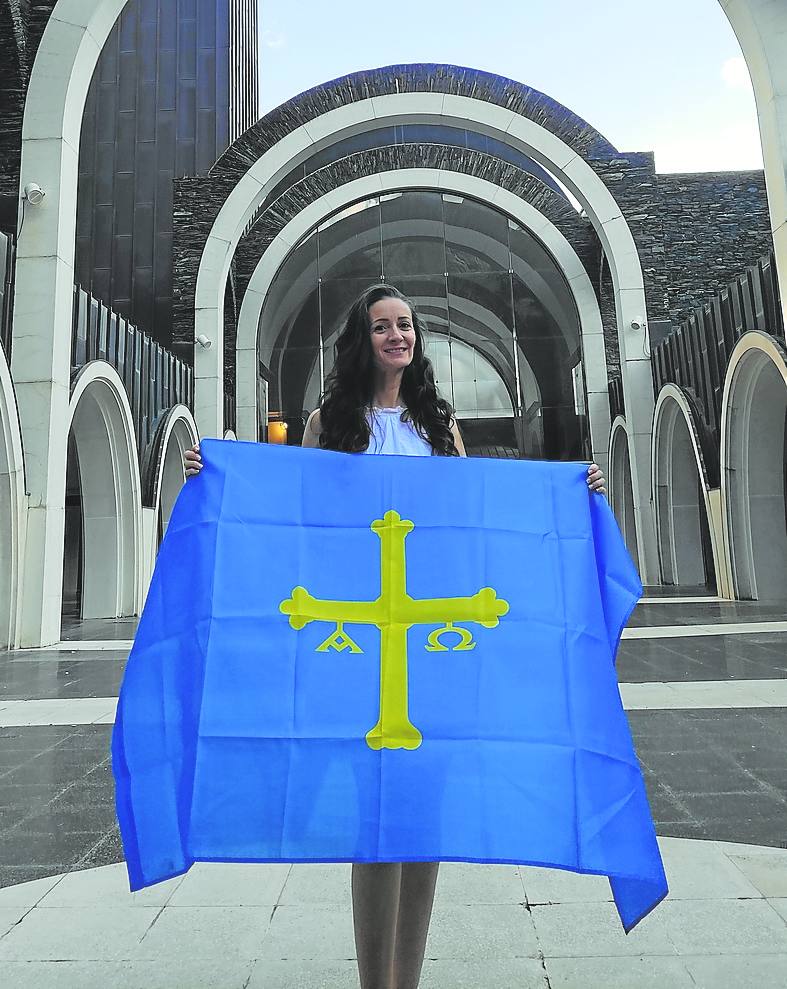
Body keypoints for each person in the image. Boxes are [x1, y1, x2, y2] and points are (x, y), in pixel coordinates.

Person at [185, 283, 606, 989]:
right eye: (381, 326)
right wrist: (217, 479)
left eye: (405, 324)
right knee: (376, 819)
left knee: (422, 819)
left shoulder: (437, 426)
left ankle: (405, 979)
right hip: (360, 644)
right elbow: (295, 513)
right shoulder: (329, 423)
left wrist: (570, 491)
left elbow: (469, 516)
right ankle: (372, 981)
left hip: (428, 640)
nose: (396, 335)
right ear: (362, 340)